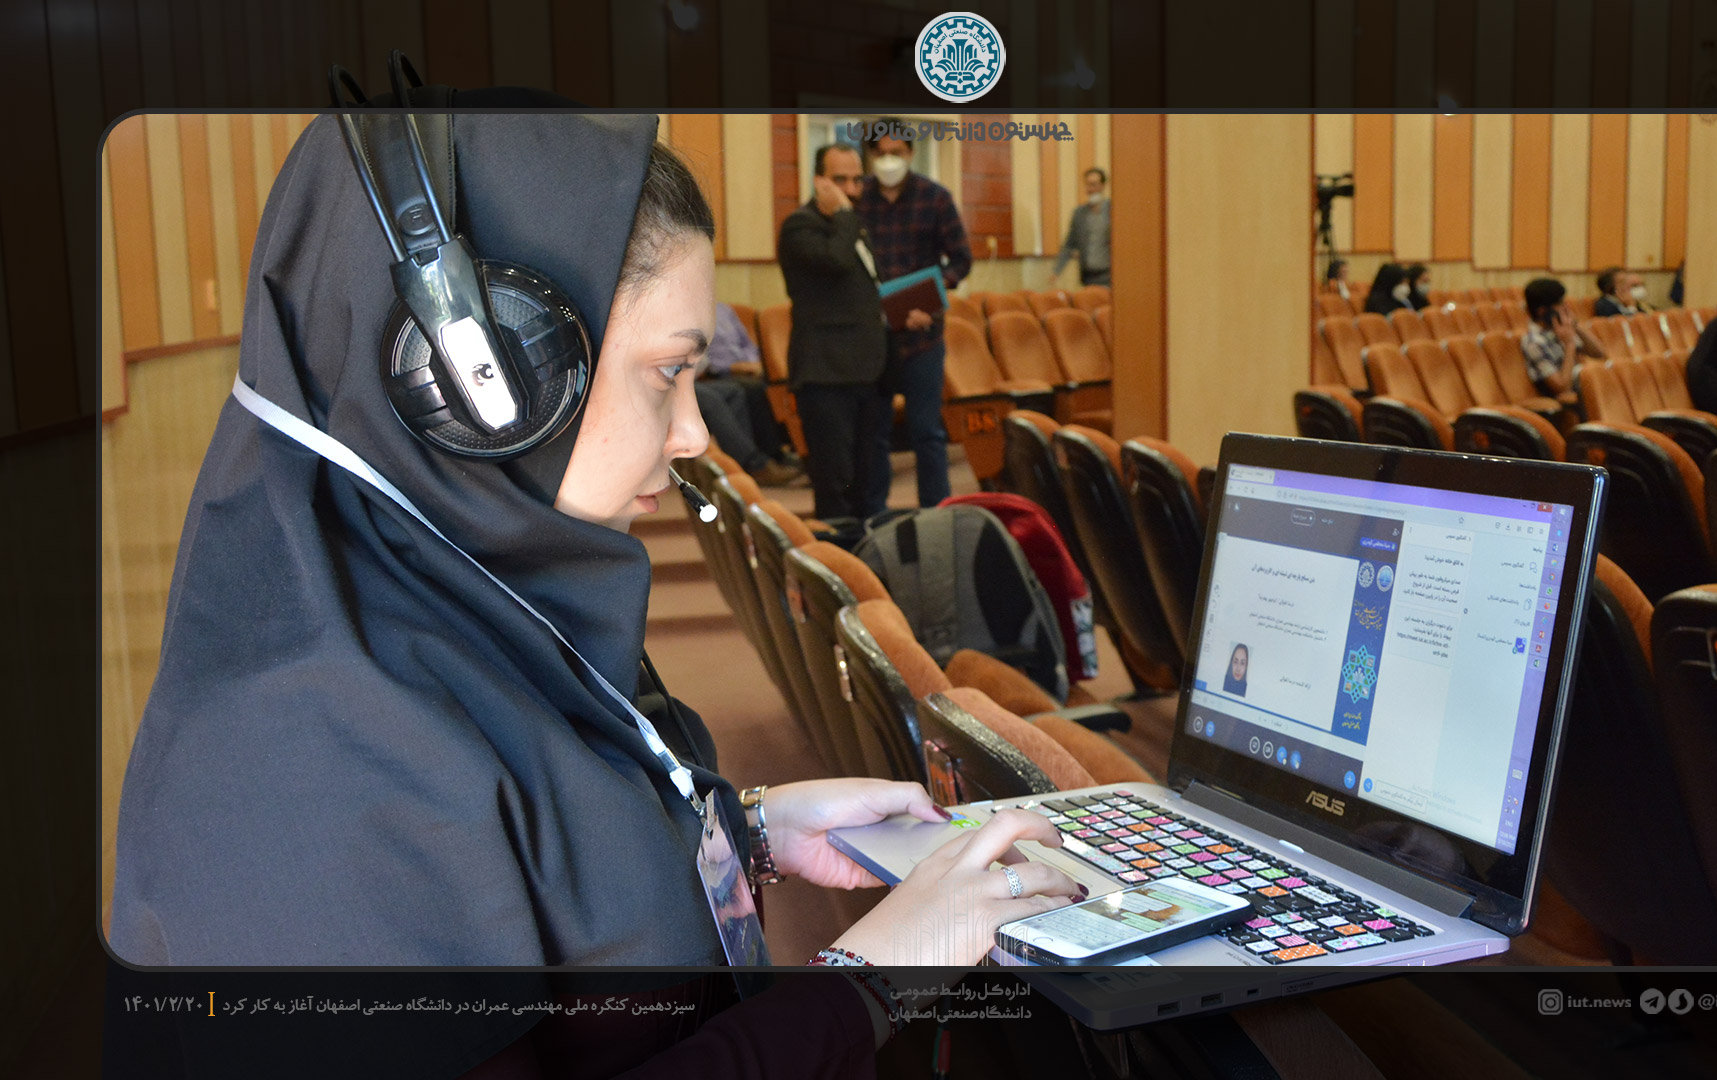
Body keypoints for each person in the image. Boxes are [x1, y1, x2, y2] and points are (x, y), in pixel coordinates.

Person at [108, 112, 1081, 1066]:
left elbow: (546, 871)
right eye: (668, 373)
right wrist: (873, 981)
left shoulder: (482, 577)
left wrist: (745, 831)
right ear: (483, 379)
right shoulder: (308, 757)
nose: (695, 433)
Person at [858, 119, 973, 511]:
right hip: (874, 337)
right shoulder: (858, 198)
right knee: (875, 434)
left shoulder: (935, 197)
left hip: (923, 335)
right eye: (881, 153)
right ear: (870, 156)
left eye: (897, 152)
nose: (889, 160)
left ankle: (935, 512)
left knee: (927, 432)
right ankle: (874, 515)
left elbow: (961, 260)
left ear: (910, 153)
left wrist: (932, 298)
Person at [777, 142, 893, 520]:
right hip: (825, 374)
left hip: (865, 370)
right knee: (835, 483)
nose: (852, 189)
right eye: (840, 180)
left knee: (863, 480)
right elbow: (836, 261)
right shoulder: (801, 226)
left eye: (857, 180)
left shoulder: (853, 224)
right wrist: (843, 214)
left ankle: (863, 551)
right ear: (819, 182)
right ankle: (837, 554)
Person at [694, 302, 802, 487]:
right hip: (671, 383)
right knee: (712, 399)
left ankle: (766, 458)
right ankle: (754, 465)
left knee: (740, 391)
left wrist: (754, 364)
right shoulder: (677, 312)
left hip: (690, 378)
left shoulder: (724, 310)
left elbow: (745, 345)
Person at [1518, 277, 1606, 397]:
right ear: (1542, 311)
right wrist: (1569, 344)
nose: (1566, 307)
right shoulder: (1534, 342)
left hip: (1584, 389)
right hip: (1567, 399)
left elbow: (1599, 354)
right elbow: (1562, 386)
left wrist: (1576, 325)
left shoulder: (1560, 330)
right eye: (1560, 304)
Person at [1051, 166, 1110, 287]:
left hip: (1109, 276)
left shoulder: (1113, 210)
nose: (1090, 189)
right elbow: (1069, 244)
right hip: (1088, 277)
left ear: (1102, 186)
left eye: (1094, 185)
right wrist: (1057, 271)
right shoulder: (1079, 213)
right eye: (1087, 185)